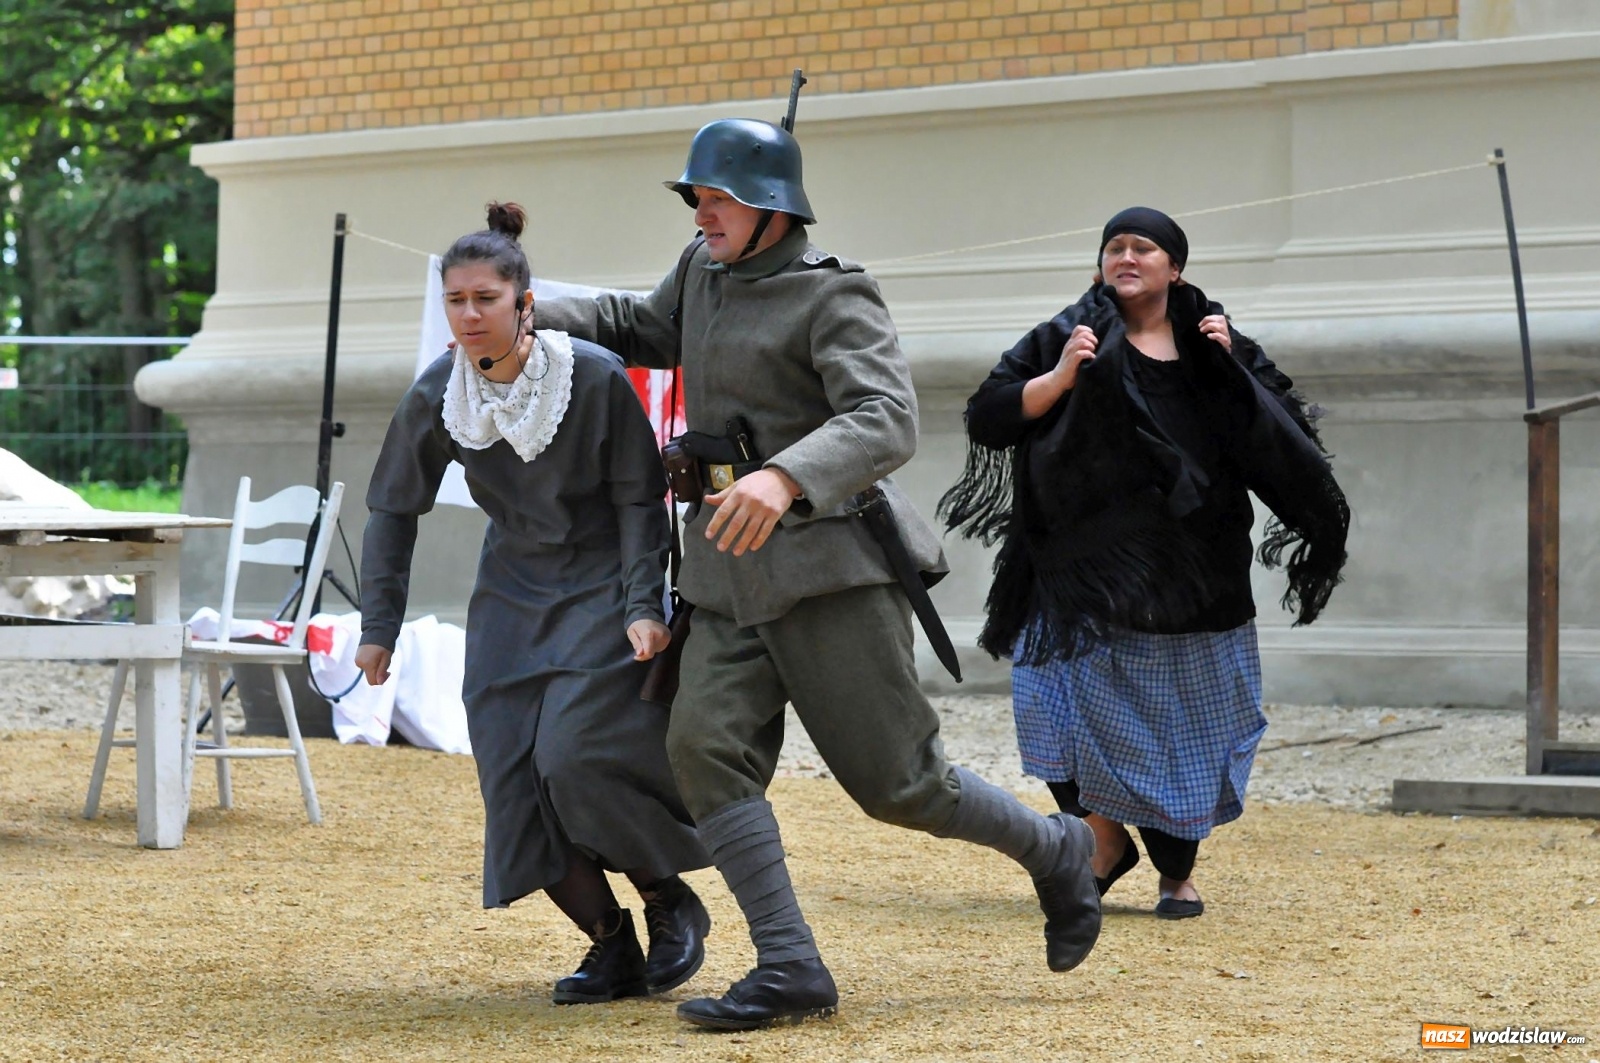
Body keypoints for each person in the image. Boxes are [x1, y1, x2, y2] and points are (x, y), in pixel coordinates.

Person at [529, 118, 1101, 1032]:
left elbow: (886, 418)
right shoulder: (700, 273)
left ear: (770, 209)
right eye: (697, 199)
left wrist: (786, 472)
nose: (701, 214)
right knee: (703, 749)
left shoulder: (836, 296)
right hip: (725, 575)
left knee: (899, 786)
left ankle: (1056, 847)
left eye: (717, 200)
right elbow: (640, 325)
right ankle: (791, 963)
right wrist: (530, 303)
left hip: (832, 572)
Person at [941, 207, 1350, 920]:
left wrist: (1232, 375)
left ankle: (1175, 869)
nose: (1126, 255)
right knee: (1052, 708)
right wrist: (1063, 375)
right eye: (1115, 246)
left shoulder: (1214, 342)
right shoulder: (1068, 333)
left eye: (1144, 246)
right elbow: (990, 413)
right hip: (1083, 569)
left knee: (1186, 724)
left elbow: (1282, 434)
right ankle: (1104, 841)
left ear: (1175, 268)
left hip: (1196, 573)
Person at [353, 202, 712, 1006]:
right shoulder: (437, 394)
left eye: (486, 298)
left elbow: (637, 501)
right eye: (455, 300)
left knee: (576, 757)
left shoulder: (592, 375)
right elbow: (391, 508)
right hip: (509, 597)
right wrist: (379, 629)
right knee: (513, 780)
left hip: (601, 588)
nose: (469, 314)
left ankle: (667, 897)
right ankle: (610, 946)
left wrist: (644, 603)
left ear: (524, 302)